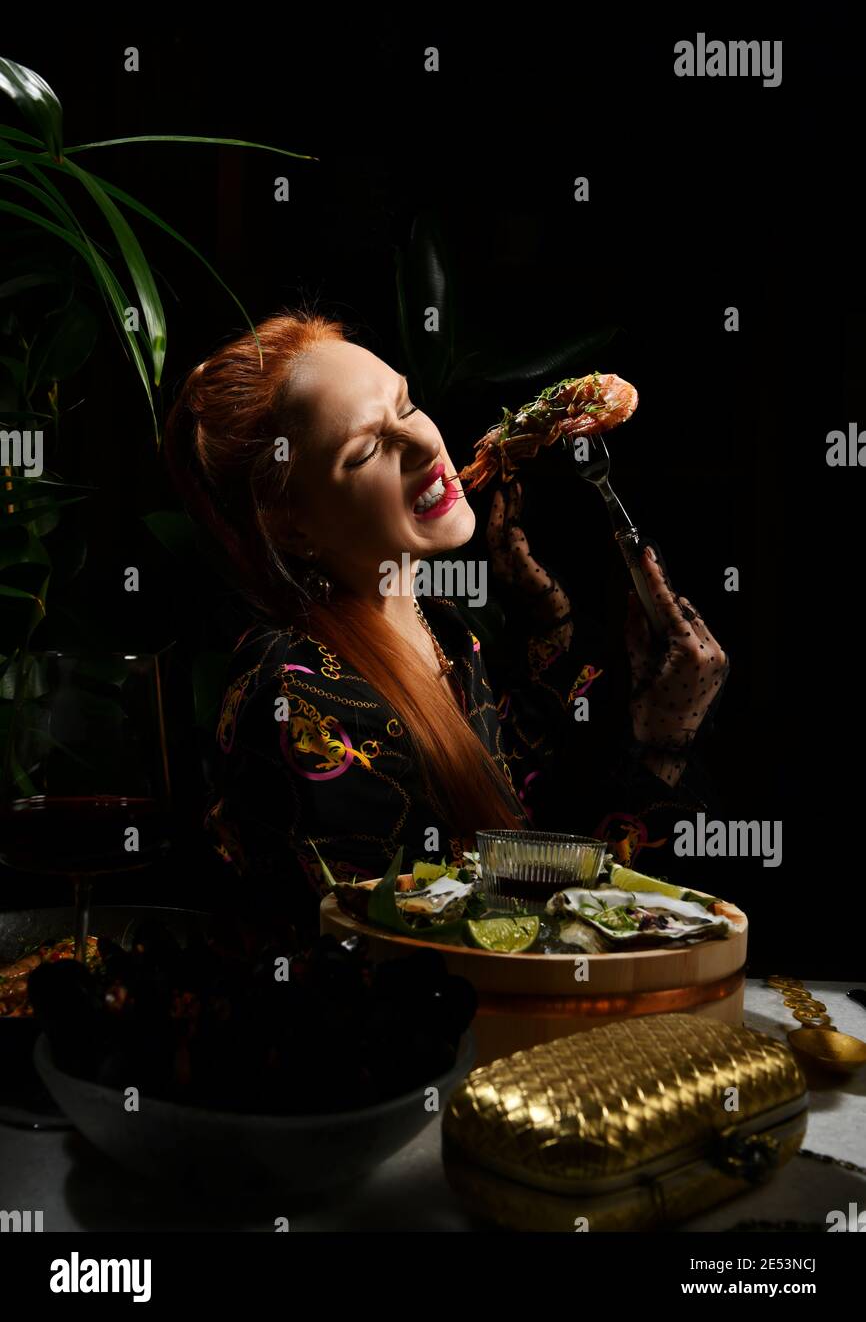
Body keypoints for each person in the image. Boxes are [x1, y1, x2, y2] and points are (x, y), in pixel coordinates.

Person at [163, 307, 729, 937]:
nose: (424, 443)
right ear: (294, 527)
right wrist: (663, 744)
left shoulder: (446, 632)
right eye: (368, 449)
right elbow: (485, 934)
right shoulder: (300, 695)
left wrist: (554, 629)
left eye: (406, 407)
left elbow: (517, 830)